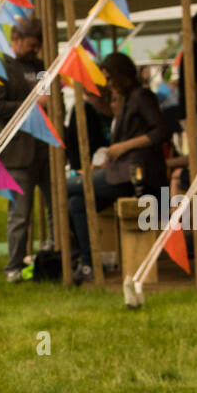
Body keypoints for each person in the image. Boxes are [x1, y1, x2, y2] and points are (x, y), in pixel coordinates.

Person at [65, 52, 169, 284]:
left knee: (64, 187)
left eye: (110, 79)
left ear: (122, 76)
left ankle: (68, 253)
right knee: (76, 203)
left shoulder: (142, 96)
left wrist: (123, 146)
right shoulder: (127, 100)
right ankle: (88, 263)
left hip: (136, 176)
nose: (108, 84)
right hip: (120, 171)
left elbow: (161, 131)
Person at [0, 17, 52, 283]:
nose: (35, 50)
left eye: (38, 45)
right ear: (17, 39)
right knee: (20, 215)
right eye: (32, 44)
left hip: (44, 148)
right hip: (16, 152)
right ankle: (13, 266)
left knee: (54, 206)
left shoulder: (40, 66)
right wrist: (32, 102)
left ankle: (50, 256)